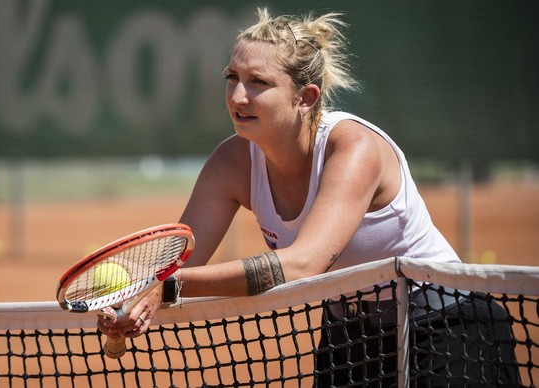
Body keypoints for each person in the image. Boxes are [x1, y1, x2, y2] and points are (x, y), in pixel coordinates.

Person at [98, 8, 520, 386]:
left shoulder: (353, 148)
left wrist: (168, 285)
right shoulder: (230, 162)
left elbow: (302, 266)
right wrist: (133, 294)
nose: (237, 96)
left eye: (258, 83)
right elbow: (178, 260)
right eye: (232, 78)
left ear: (306, 98)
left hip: (448, 325)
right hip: (350, 337)